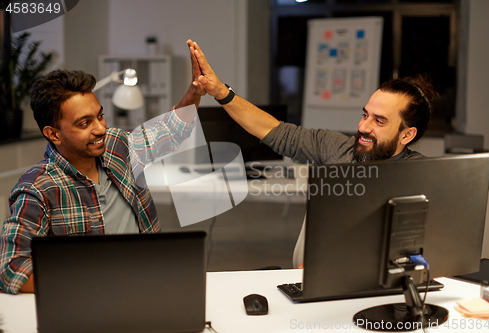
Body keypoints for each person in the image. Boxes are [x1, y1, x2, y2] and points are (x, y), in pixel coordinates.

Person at [187, 39, 437, 269]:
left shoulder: (424, 176)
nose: (363, 127)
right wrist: (221, 92)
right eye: (365, 115)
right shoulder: (337, 148)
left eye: (379, 121)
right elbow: (274, 130)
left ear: (407, 135)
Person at [0, 43, 206, 294]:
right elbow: (11, 269)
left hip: (149, 284)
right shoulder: (37, 189)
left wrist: (194, 93)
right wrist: (92, 281)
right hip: (90, 301)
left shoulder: (117, 145)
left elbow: (170, 130)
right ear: (53, 134)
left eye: (99, 116)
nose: (99, 129)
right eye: (84, 123)